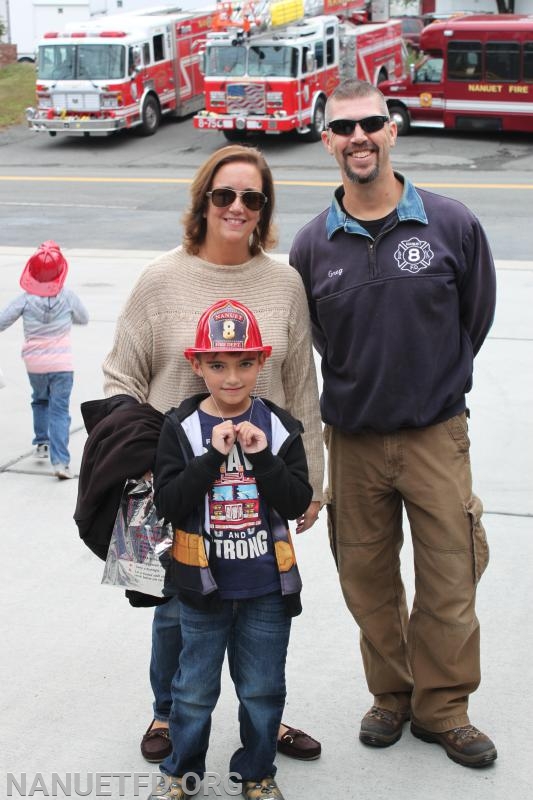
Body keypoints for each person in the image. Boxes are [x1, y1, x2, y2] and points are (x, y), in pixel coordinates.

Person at [289, 79, 497, 768]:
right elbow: (319, 338)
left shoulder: (450, 223)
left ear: (392, 129)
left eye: (370, 124)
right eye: (343, 128)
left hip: (435, 434)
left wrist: (430, 381)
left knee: (449, 576)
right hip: (354, 442)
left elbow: (474, 318)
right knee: (367, 580)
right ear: (325, 141)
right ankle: (391, 695)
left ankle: (443, 708)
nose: (358, 138)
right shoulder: (312, 246)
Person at [102, 145, 324, 764]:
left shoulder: (284, 283)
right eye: (224, 194)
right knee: (179, 608)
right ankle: (168, 715)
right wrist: (152, 465)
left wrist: (316, 480)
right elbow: (121, 376)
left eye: (251, 197)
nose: (237, 206)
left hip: (262, 488)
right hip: (182, 484)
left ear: (264, 209)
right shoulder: (160, 280)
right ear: (202, 200)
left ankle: (264, 724)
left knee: (262, 608)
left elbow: (302, 383)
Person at [151, 298, 312, 800]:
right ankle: (182, 773)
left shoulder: (280, 426)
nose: (232, 377)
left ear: (262, 363)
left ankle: (258, 773)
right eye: (217, 364)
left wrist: (262, 457)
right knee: (193, 691)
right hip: (202, 587)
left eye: (244, 363)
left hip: (266, 585)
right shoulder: (181, 427)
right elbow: (172, 505)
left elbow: (296, 498)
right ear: (196, 364)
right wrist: (209, 459)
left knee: (263, 690)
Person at [0, 240, 89, 479]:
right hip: (62, 364)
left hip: (35, 364)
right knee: (59, 411)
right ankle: (60, 462)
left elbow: (2, 321)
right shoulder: (68, 296)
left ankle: (42, 442)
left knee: (40, 400)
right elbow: (84, 318)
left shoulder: (25, 299)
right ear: (61, 271)